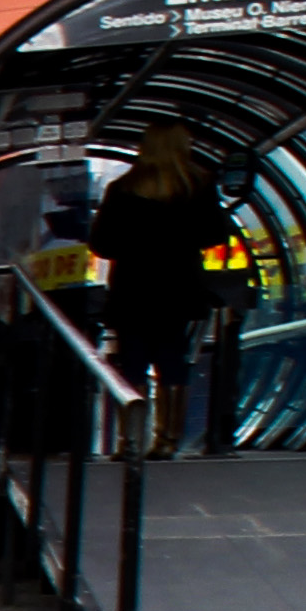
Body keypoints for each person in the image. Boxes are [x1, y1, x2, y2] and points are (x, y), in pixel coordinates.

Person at [87, 125, 229, 455]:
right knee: (172, 358)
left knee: (132, 361)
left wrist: (136, 245)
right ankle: (167, 439)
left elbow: (101, 243)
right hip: (178, 288)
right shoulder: (199, 186)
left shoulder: (121, 189)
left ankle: (129, 440)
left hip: (133, 288)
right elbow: (215, 234)